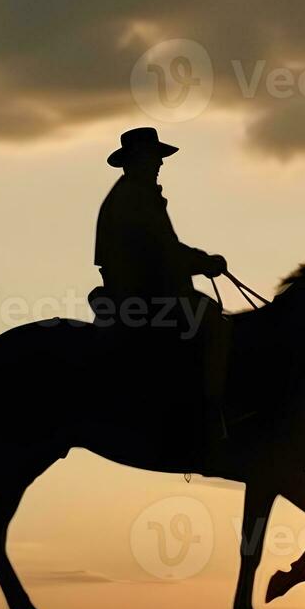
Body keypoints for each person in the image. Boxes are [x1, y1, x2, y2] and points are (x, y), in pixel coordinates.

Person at [93, 127, 231, 463]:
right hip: (142, 295)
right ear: (136, 160)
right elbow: (163, 253)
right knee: (214, 324)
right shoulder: (134, 198)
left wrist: (198, 261)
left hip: (140, 291)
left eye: (158, 158)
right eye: (153, 157)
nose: (158, 164)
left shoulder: (134, 195)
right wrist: (205, 262)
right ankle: (211, 417)